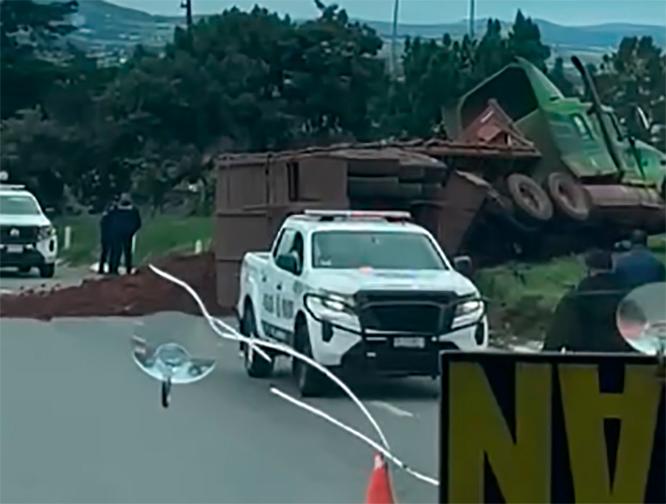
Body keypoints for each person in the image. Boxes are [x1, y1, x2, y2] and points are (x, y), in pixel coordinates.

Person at [543, 249, 634, 353]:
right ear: (612, 268)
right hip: (622, 359)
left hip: (585, 360)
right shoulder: (627, 298)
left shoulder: (574, 299)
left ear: (589, 269)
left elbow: (558, 335)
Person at [109, 193, 141, 275]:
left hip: (117, 233)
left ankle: (114, 269)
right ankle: (128, 269)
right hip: (127, 233)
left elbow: (109, 221)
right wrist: (132, 230)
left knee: (116, 251)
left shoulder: (115, 210)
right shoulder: (133, 210)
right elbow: (138, 222)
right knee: (127, 252)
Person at [98, 199, 117, 274]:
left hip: (105, 236)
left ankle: (102, 268)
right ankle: (111, 268)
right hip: (110, 236)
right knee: (111, 253)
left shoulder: (105, 216)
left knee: (105, 253)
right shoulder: (112, 216)